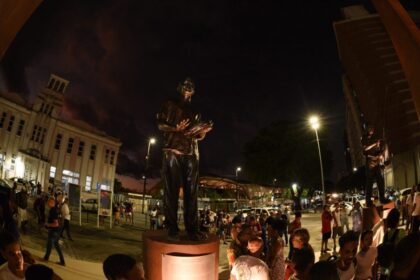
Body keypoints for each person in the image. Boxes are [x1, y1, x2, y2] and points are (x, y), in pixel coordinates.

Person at [157, 77, 213, 241]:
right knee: (171, 190)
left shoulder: (195, 111)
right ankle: (171, 228)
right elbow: (160, 124)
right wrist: (175, 128)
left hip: (191, 152)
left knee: (192, 192)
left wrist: (203, 132)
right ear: (179, 87)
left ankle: (192, 229)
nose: (188, 87)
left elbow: (197, 134)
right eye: (185, 85)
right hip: (173, 150)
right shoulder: (169, 104)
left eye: (191, 85)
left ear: (193, 91)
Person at [362, 126, 388, 206]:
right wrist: (374, 144)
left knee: (380, 181)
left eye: (372, 129)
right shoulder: (364, 138)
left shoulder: (375, 138)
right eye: (370, 129)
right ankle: (368, 201)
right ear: (366, 130)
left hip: (376, 163)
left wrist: (380, 154)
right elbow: (365, 150)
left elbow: (380, 148)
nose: (371, 131)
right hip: (370, 164)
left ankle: (382, 198)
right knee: (369, 183)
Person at [43, 197, 65, 266]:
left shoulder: (53, 210)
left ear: (52, 202)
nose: (47, 203)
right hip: (58, 230)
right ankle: (62, 261)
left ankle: (46, 258)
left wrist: (48, 225)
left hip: (54, 231)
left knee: (49, 244)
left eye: (48, 202)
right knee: (56, 245)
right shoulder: (57, 209)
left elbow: (56, 224)